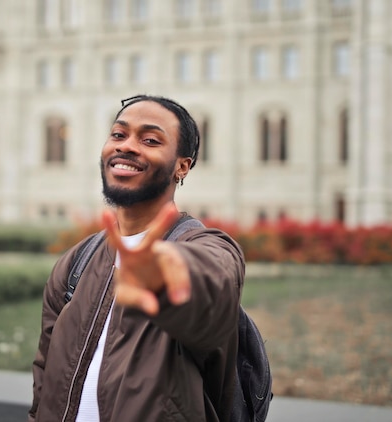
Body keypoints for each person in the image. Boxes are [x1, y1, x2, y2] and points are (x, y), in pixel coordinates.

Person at [28, 95, 246, 422]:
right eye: (118, 135)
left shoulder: (206, 246)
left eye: (150, 140)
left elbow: (213, 285)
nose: (126, 146)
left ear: (182, 166)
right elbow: (45, 377)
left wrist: (166, 276)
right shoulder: (77, 262)